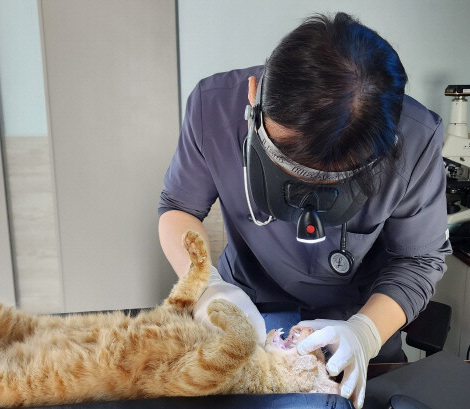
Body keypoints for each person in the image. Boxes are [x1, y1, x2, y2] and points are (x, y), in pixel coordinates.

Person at [158, 12, 451, 409]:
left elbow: (419, 258)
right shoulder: (213, 109)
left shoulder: (416, 138)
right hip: (243, 303)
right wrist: (208, 287)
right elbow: (178, 208)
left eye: (332, 182)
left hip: (359, 313)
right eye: (286, 167)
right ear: (253, 96)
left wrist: (364, 333)